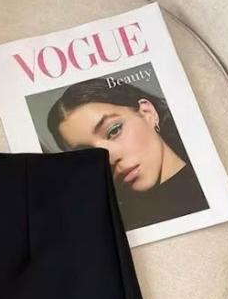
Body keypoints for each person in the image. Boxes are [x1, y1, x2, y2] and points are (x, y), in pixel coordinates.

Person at [47, 78, 209, 230]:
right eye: (88, 154)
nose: (108, 159)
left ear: (147, 113)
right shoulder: (109, 226)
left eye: (114, 130)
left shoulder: (212, 177)